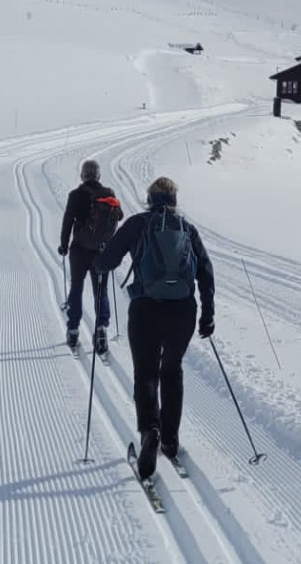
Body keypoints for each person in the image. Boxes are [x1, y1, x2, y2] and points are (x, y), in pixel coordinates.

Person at [96, 177, 215, 480]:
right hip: (183, 310)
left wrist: (99, 259)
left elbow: (107, 261)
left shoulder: (138, 223)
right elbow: (205, 270)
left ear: (150, 199)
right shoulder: (187, 228)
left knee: (145, 372)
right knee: (171, 370)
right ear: (174, 200)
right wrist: (207, 316)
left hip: (146, 308)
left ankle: (150, 431)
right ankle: (171, 441)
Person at [59, 159, 124, 354]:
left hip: (79, 250)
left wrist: (64, 245)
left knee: (77, 288)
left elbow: (68, 221)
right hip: (102, 251)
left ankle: (72, 330)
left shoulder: (75, 195)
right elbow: (119, 216)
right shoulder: (108, 194)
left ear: (82, 175)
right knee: (101, 291)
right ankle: (102, 330)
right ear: (98, 176)